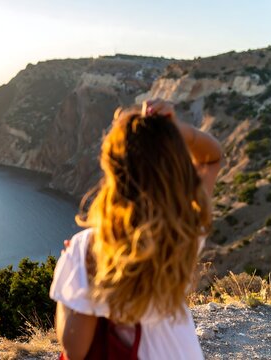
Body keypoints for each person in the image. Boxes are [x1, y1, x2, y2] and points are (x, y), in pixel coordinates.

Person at [50, 99, 223, 360]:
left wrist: (70, 276)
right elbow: (212, 159)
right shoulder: (184, 229)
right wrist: (175, 131)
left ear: (112, 171)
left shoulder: (91, 248)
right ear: (177, 168)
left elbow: (75, 349)